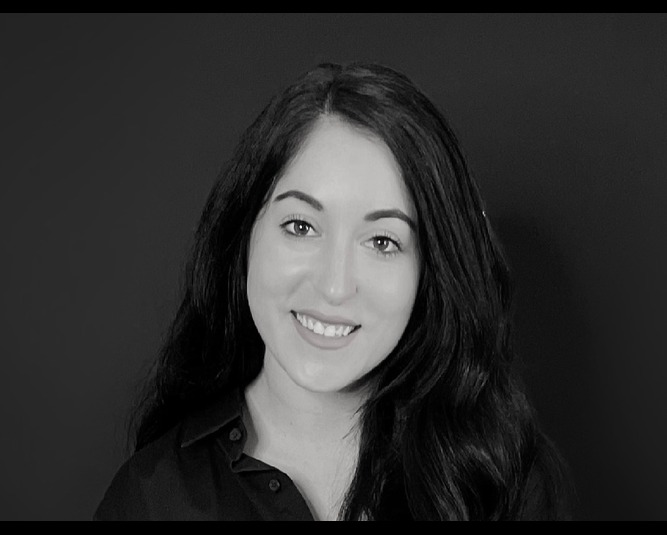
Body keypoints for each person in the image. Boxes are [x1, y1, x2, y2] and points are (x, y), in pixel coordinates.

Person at [94, 61, 572, 521]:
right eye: (301, 226)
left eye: (382, 241)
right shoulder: (151, 499)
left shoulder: (497, 480)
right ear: (243, 236)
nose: (334, 286)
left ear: (430, 272)